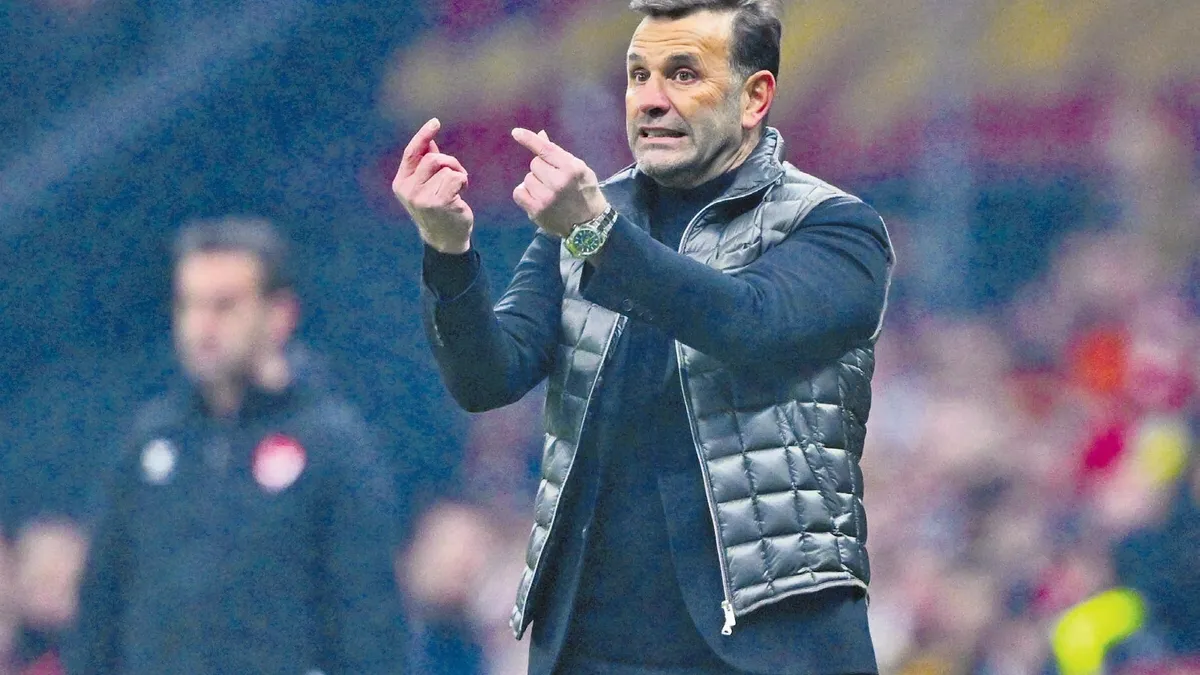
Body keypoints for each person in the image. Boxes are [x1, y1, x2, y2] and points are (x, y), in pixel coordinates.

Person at [393, 0, 895, 672]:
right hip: (593, 642)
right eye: (638, 76)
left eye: (683, 75)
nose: (651, 100)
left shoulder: (834, 227)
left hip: (771, 641)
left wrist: (598, 235)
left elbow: (750, 325)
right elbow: (488, 378)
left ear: (754, 97)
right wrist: (448, 252)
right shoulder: (584, 220)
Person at [65, 217, 408, 674]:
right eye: (189, 305)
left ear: (279, 314)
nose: (201, 327)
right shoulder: (150, 443)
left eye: (224, 306)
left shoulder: (332, 446)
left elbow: (371, 619)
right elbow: (99, 608)